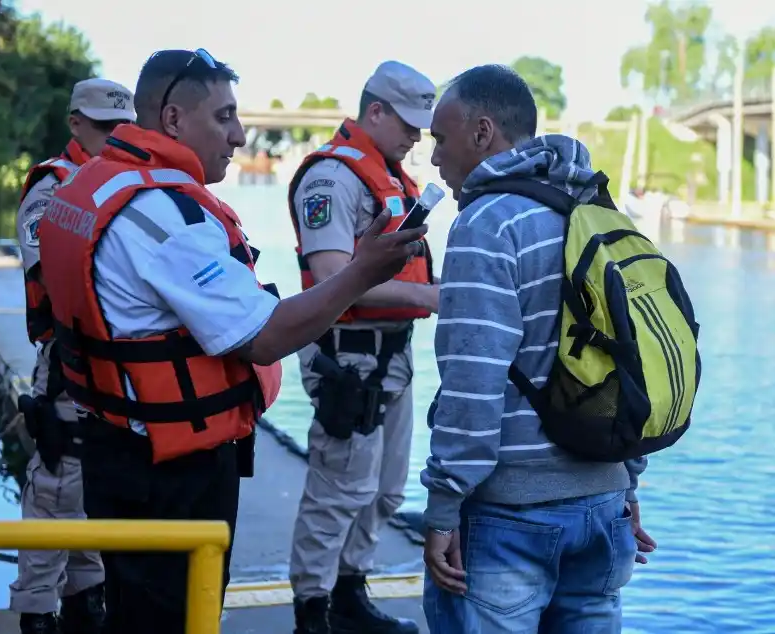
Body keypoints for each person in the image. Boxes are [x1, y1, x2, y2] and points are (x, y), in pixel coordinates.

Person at [35, 49, 428, 634]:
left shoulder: (92, 185)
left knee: (135, 611)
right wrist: (361, 273)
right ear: (173, 119)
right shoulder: (163, 215)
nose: (240, 136)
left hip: (115, 447)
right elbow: (265, 337)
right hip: (169, 470)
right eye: (224, 117)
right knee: (172, 618)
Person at [419, 64, 657, 634]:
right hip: (605, 506)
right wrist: (627, 480)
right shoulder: (599, 212)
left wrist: (444, 508)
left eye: (441, 139)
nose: (434, 158)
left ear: (482, 132)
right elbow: (632, 360)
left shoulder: (487, 224)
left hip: (511, 516)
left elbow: (474, 381)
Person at [286, 60, 439, 634]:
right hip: (348, 357)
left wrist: (429, 293)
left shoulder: (391, 176)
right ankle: (312, 610)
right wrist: (429, 296)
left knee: (386, 491)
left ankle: (350, 594)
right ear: (375, 111)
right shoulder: (332, 177)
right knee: (337, 491)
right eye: (408, 123)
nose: (417, 136)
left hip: (393, 355)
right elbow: (333, 275)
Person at [10, 77, 136, 634]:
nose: (115, 138)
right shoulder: (52, 185)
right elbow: (51, 269)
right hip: (69, 363)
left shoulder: (126, 184)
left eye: (124, 128)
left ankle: (86, 600)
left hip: (117, 366)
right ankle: (38, 613)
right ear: (76, 124)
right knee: (55, 490)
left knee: (95, 488)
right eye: (105, 128)